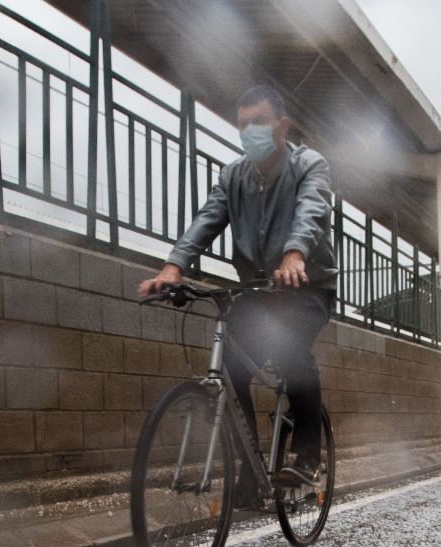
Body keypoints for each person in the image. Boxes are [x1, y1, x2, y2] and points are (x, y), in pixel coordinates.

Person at [138, 84, 337, 494]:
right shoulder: (233, 176)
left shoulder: (309, 165)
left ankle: (308, 454)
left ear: (282, 126)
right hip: (258, 290)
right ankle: (248, 468)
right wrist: (173, 267)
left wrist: (294, 253)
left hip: (306, 285)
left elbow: (312, 210)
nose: (250, 131)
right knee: (231, 364)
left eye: (260, 122)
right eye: (244, 124)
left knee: (289, 345)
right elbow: (207, 220)